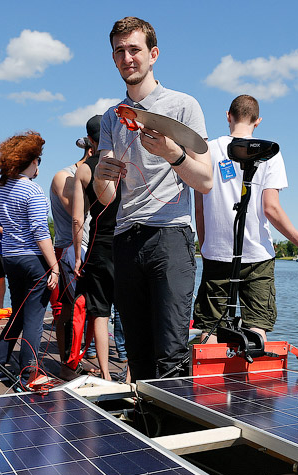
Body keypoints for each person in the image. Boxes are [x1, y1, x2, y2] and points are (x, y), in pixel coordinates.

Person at [94, 16, 212, 382]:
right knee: (138, 353)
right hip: (126, 239)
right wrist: (100, 178)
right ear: (113, 59)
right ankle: (148, 433)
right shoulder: (112, 117)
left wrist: (172, 153)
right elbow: (107, 196)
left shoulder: (183, 106)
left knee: (172, 351)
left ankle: (177, 433)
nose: (128, 58)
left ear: (153, 54)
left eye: (135, 50)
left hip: (171, 237)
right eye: (119, 51)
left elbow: (206, 181)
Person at [193, 95, 298, 344]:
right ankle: (250, 379)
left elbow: (200, 207)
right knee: (256, 327)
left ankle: (206, 380)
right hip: (257, 254)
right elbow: (271, 209)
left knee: (210, 328)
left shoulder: (207, 150)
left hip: (216, 253)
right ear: (258, 121)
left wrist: (206, 246)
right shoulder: (270, 151)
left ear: (228, 115)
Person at [0, 131, 59, 377]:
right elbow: (40, 231)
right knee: (33, 318)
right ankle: (29, 371)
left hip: (10, 258)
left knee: (18, 313)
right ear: (31, 161)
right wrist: (55, 266)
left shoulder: (2, 187)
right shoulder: (33, 191)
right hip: (32, 259)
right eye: (38, 160)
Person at [70, 115, 125, 381]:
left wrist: (78, 257)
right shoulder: (125, 163)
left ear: (90, 141)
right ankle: (130, 376)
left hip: (99, 245)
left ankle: (105, 374)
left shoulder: (84, 169)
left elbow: (78, 218)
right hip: (127, 241)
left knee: (100, 313)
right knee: (129, 310)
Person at [48, 129, 92, 359]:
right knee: (69, 309)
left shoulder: (99, 174)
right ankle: (68, 363)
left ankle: (84, 355)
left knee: (95, 310)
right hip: (68, 249)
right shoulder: (64, 176)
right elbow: (77, 213)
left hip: (92, 248)